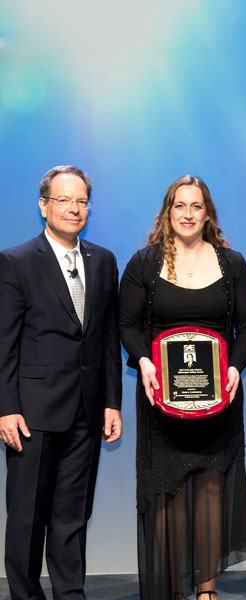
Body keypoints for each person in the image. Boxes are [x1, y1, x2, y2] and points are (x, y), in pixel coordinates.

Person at [119, 175, 246, 600]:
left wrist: (235, 368)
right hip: (162, 398)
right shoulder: (143, 263)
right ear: (168, 212)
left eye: (196, 206)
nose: (188, 214)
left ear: (207, 213)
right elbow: (126, 324)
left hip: (219, 397)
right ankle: (175, 589)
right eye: (180, 206)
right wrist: (144, 361)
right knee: (168, 491)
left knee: (212, 486)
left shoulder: (231, 264)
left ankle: (206, 590)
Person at [0, 165, 122, 599]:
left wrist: (112, 402)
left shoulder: (104, 261)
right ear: (43, 206)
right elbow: (5, 343)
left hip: (86, 412)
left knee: (73, 516)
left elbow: (108, 338)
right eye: (64, 200)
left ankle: (71, 595)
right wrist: (6, 408)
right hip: (31, 413)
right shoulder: (15, 261)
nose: (74, 209)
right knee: (28, 518)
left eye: (81, 201)